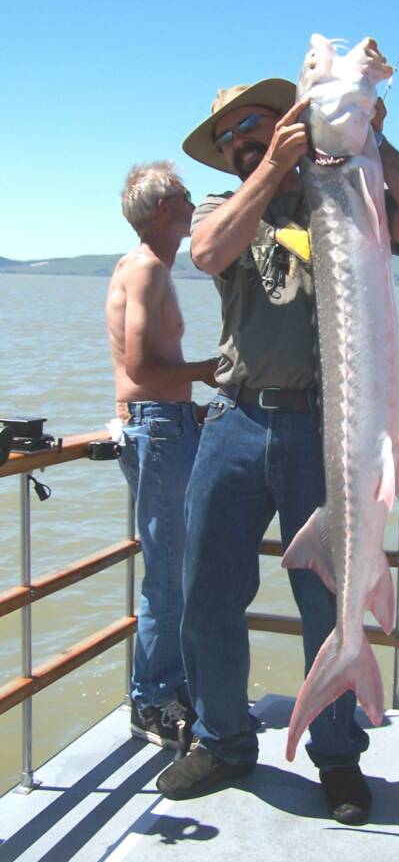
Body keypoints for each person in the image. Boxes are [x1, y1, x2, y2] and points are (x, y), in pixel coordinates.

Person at [156, 50, 399, 821]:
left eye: (251, 125)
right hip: (234, 422)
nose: (239, 143)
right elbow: (207, 253)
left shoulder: (354, 195)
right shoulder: (227, 204)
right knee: (208, 595)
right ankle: (223, 741)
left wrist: (372, 139)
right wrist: (269, 168)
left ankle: (338, 758)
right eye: (228, 138)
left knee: (327, 597)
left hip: (330, 431)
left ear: (289, 117)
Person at [106, 160, 218, 749]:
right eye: (184, 194)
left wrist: (189, 402)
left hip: (166, 425)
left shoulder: (149, 267)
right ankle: (150, 700)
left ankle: (171, 685)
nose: (194, 201)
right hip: (158, 429)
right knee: (168, 573)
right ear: (163, 209)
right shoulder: (147, 268)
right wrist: (209, 371)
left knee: (176, 567)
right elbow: (141, 370)